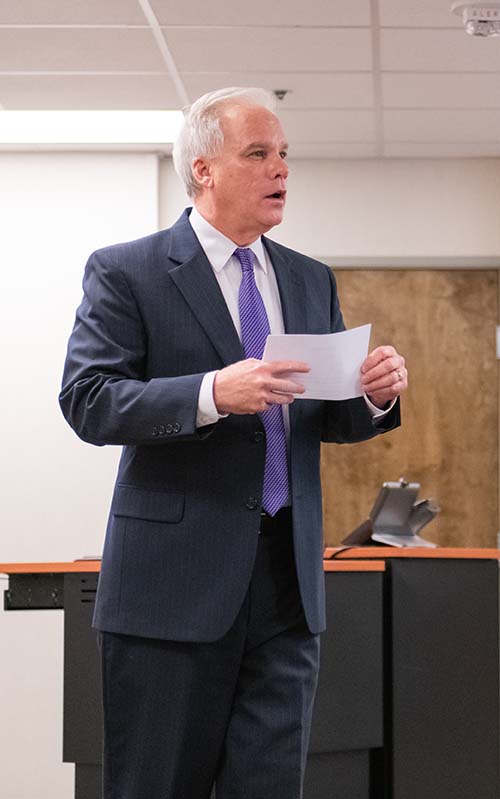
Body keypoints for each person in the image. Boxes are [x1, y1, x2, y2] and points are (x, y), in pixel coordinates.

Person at [59, 87, 407, 799]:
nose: (280, 168)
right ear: (204, 170)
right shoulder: (129, 271)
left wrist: (373, 394)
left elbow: (320, 415)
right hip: (171, 595)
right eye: (258, 154)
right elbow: (88, 400)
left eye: (283, 155)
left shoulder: (310, 278)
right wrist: (212, 393)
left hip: (286, 591)